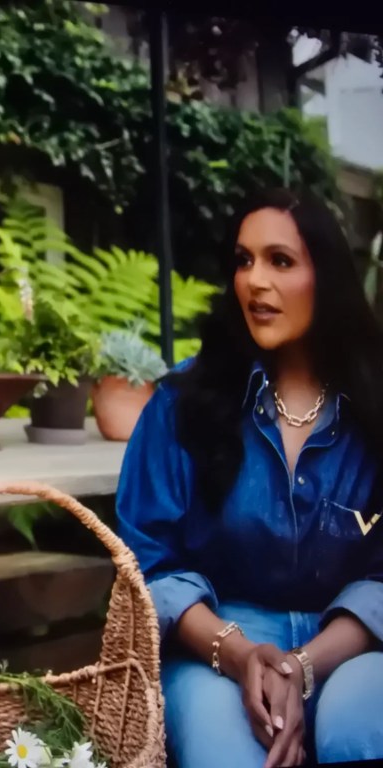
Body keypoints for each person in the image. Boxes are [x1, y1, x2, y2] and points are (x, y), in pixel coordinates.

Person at [116, 188, 383, 768]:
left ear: (326, 277)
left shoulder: (374, 406)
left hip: (355, 649)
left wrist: (302, 664)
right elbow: (147, 563)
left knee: (360, 734)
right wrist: (240, 655)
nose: (255, 281)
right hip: (217, 645)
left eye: (280, 261)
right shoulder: (182, 403)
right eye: (244, 260)